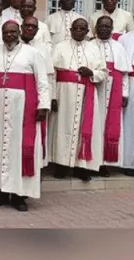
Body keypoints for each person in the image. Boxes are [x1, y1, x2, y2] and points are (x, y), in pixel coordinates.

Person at [0, 20, 49, 212]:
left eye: (12, 32)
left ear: (19, 32)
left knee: (19, 150)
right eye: (5, 32)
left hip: (23, 113)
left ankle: (19, 196)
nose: (9, 35)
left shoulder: (33, 54)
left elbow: (43, 82)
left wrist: (43, 105)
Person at [50, 18, 106, 182]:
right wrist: (53, 96)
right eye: (76, 28)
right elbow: (52, 73)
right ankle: (62, 165)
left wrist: (92, 73)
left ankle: (81, 167)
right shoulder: (59, 47)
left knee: (83, 129)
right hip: (64, 93)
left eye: (83, 29)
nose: (79, 31)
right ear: (71, 29)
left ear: (88, 31)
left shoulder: (94, 48)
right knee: (63, 127)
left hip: (86, 94)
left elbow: (104, 72)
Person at [92, 16, 130, 177]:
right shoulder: (89, 45)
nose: (104, 29)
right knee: (94, 126)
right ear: (96, 27)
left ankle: (103, 163)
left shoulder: (119, 47)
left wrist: (125, 93)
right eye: (101, 26)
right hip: (95, 90)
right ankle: (90, 162)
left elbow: (125, 73)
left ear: (112, 28)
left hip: (113, 91)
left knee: (108, 127)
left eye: (108, 27)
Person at [21, 16, 55, 167]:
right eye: (26, 26)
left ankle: (36, 165)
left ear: (37, 30)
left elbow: (49, 77)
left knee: (36, 132)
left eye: (33, 27)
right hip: (18, 96)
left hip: (36, 96)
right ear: (21, 27)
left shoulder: (42, 48)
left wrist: (46, 101)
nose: (29, 29)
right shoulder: (13, 44)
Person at [118, 31, 134, 177]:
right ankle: (128, 162)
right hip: (130, 82)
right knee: (129, 122)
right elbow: (122, 66)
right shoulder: (124, 38)